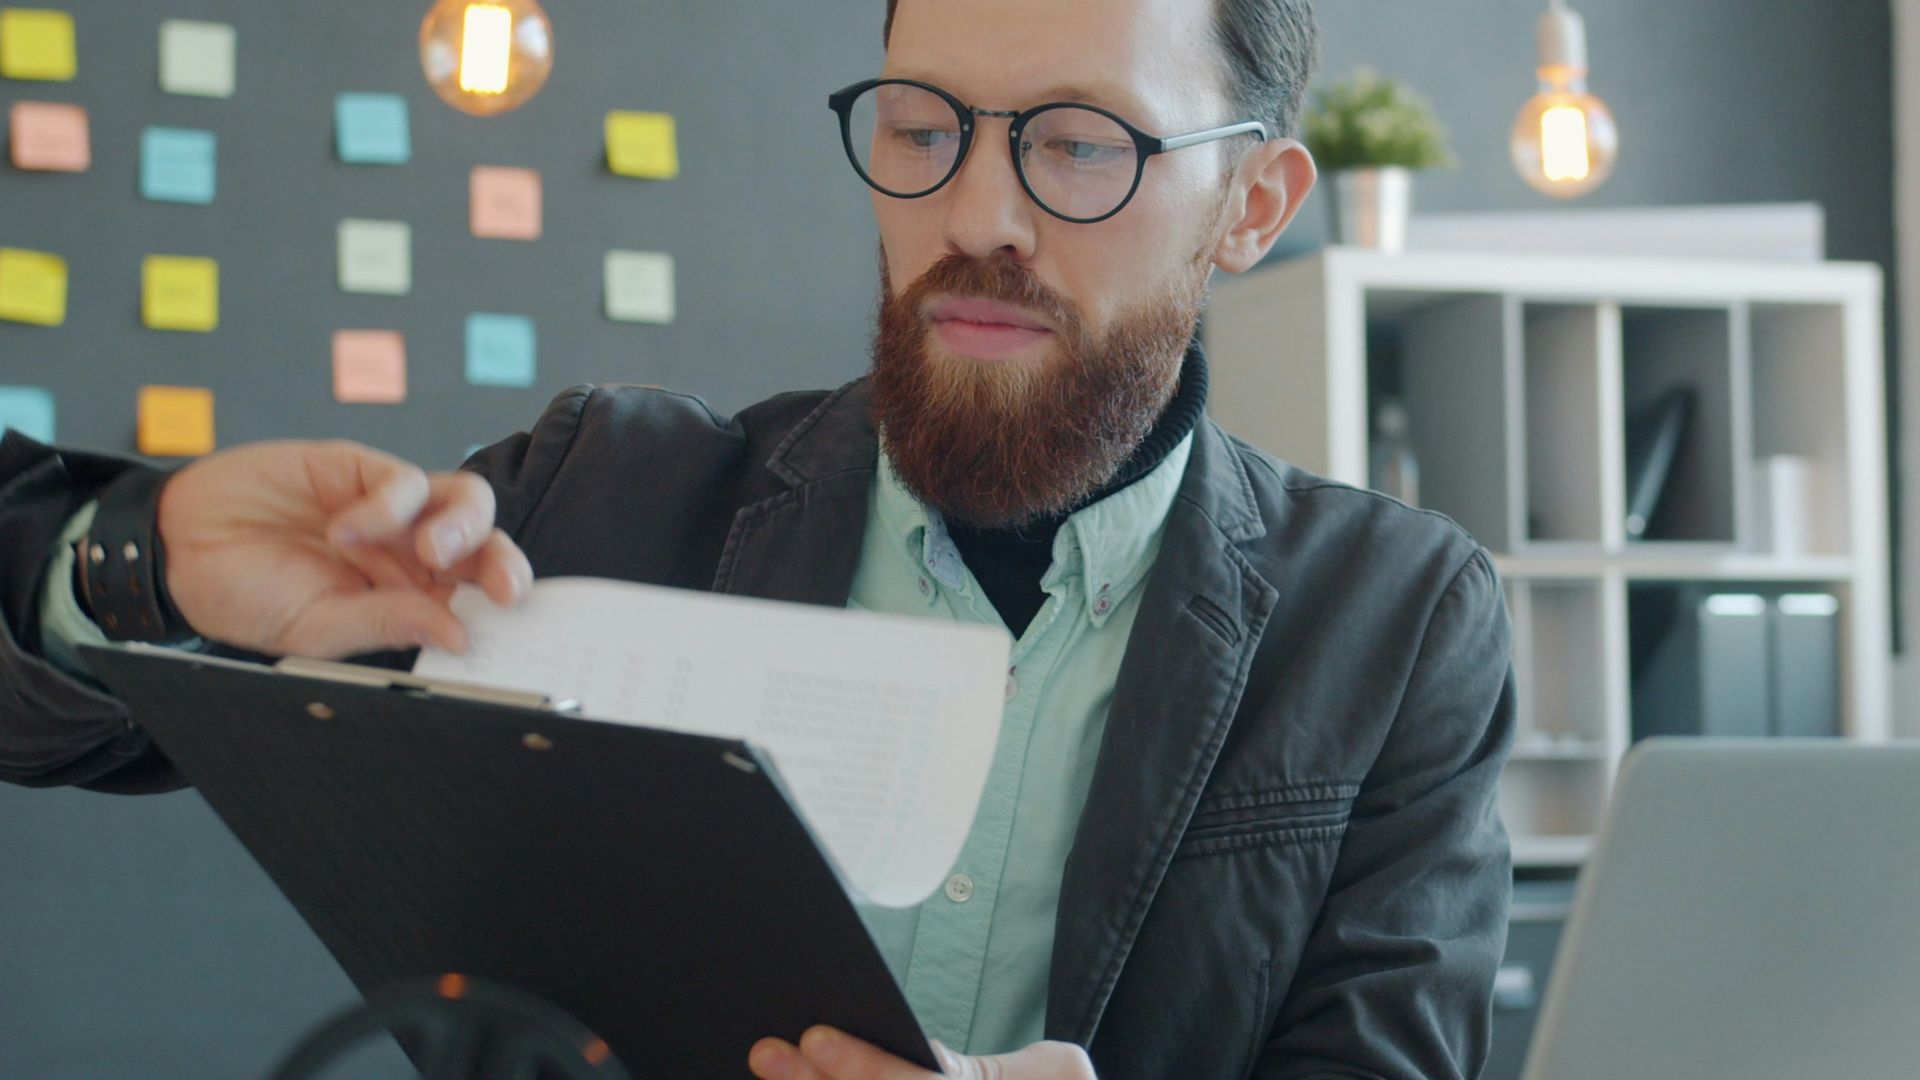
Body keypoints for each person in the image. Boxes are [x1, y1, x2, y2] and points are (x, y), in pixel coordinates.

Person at [0, 1, 1516, 1077]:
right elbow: (81, 722)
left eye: (1080, 146)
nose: (977, 211)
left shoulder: (1395, 623)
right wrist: (142, 565)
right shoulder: (600, 498)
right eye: (923, 127)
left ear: (1251, 203)